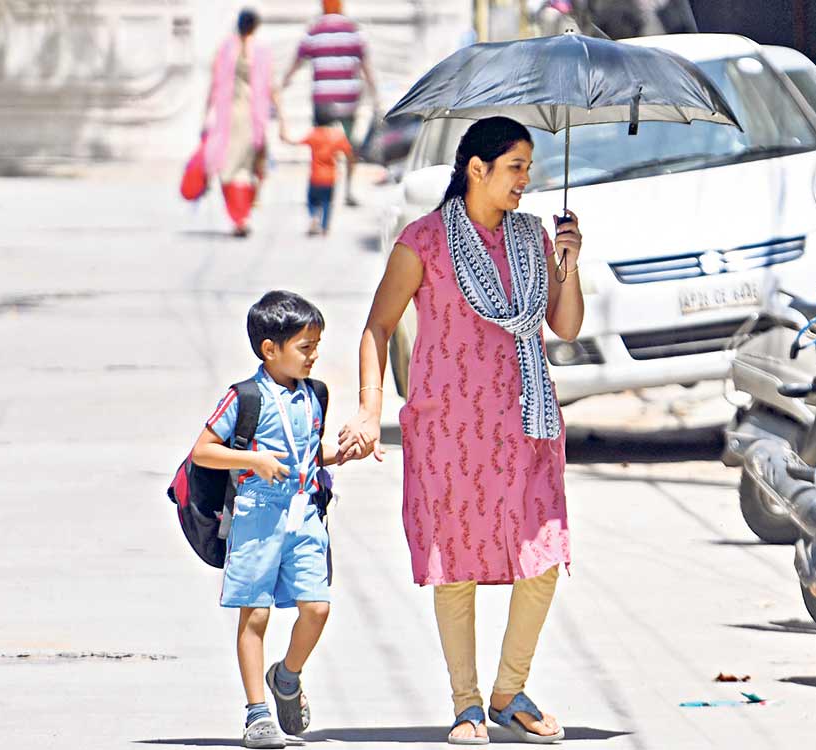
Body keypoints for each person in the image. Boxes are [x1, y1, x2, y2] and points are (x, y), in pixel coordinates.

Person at [337, 116, 585, 745]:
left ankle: (510, 688)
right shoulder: (422, 243)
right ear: (476, 169)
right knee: (456, 565)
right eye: (516, 168)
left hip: (528, 425)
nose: (526, 181)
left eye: (529, 168)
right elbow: (377, 328)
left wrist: (569, 263)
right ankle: (467, 703)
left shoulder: (532, 238)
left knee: (544, 556)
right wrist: (369, 411)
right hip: (449, 428)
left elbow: (566, 327)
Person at [190, 291, 350, 749]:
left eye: (317, 344)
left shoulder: (315, 394)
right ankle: (257, 714)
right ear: (269, 349)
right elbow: (203, 450)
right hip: (257, 518)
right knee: (255, 613)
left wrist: (343, 453)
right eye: (305, 347)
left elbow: (310, 454)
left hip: (305, 516)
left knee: (316, 608)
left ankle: (287, 675)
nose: (314, 356)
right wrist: (253, 460)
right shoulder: (244, 397)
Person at [282, 0, 379, 207]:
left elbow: (297, 60)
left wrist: (284, 83)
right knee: (350, 146)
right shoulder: (353, 31)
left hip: (323, 99)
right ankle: (348, 190)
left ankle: (318, 189)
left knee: (320, 147)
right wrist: (374, 92)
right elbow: (365, 65)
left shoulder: (315, 30)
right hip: (347, 100)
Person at [203, 9, 282, 238]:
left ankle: (239, 217)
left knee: (229, 170)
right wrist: (281, 117)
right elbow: (271, 87)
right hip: (252, 118)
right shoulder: (261, 51)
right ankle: (243, 216)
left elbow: (214, 85)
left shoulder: (226, 49)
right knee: (246, 170)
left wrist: (205, 115)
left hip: (231, 118)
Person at [280, 105, 354, 236]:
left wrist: (283, 132)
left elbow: (293, 141)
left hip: (315, 176)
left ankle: (314, 216)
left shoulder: (313, 134)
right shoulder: (337, 136)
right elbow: (349, 154)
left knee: (311, 200)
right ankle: (325, 227)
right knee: (327, 203)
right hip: (331, 177)